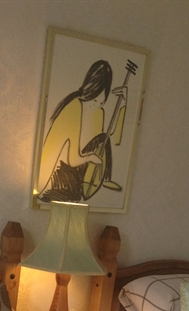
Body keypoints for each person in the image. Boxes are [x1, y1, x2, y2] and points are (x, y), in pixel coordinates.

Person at [37, 59, 127, 203]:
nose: (96, 105)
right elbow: (73, 160)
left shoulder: (99, 112)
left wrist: (123, 105)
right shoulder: (74, 108)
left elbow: (112, 140)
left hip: (77, 174)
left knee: (103, 137)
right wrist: (91, 158)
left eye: (101, 102)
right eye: (94, 100)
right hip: (56, 179)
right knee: (73, 197)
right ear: (88, 91)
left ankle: (105, 179)